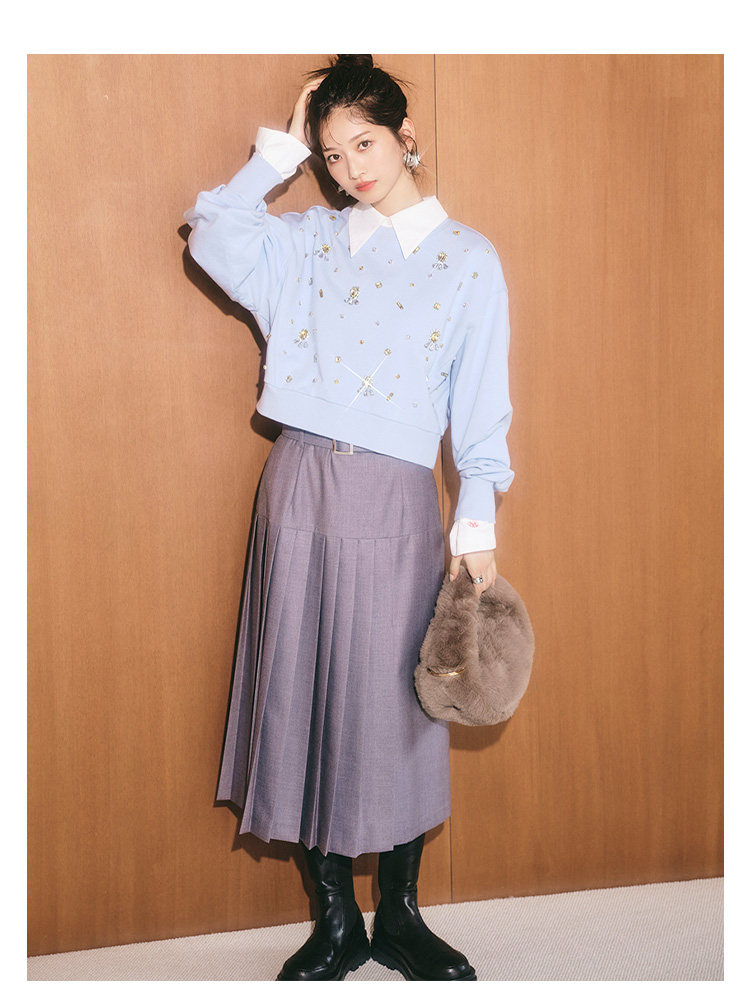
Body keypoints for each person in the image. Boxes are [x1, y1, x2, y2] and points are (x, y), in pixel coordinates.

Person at [183, 53, 515, 982]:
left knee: (398, 700)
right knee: (302, 688)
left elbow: (481, 407)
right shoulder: (306, 242)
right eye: (331, 155)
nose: (349, 169)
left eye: (363, 144)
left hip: (398, 494)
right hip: (298, 483)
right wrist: (278, 153)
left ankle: (399, 916)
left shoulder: (469, 258)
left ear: (407, 137)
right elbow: (213, 232)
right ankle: (335, 919)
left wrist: (476, 523)